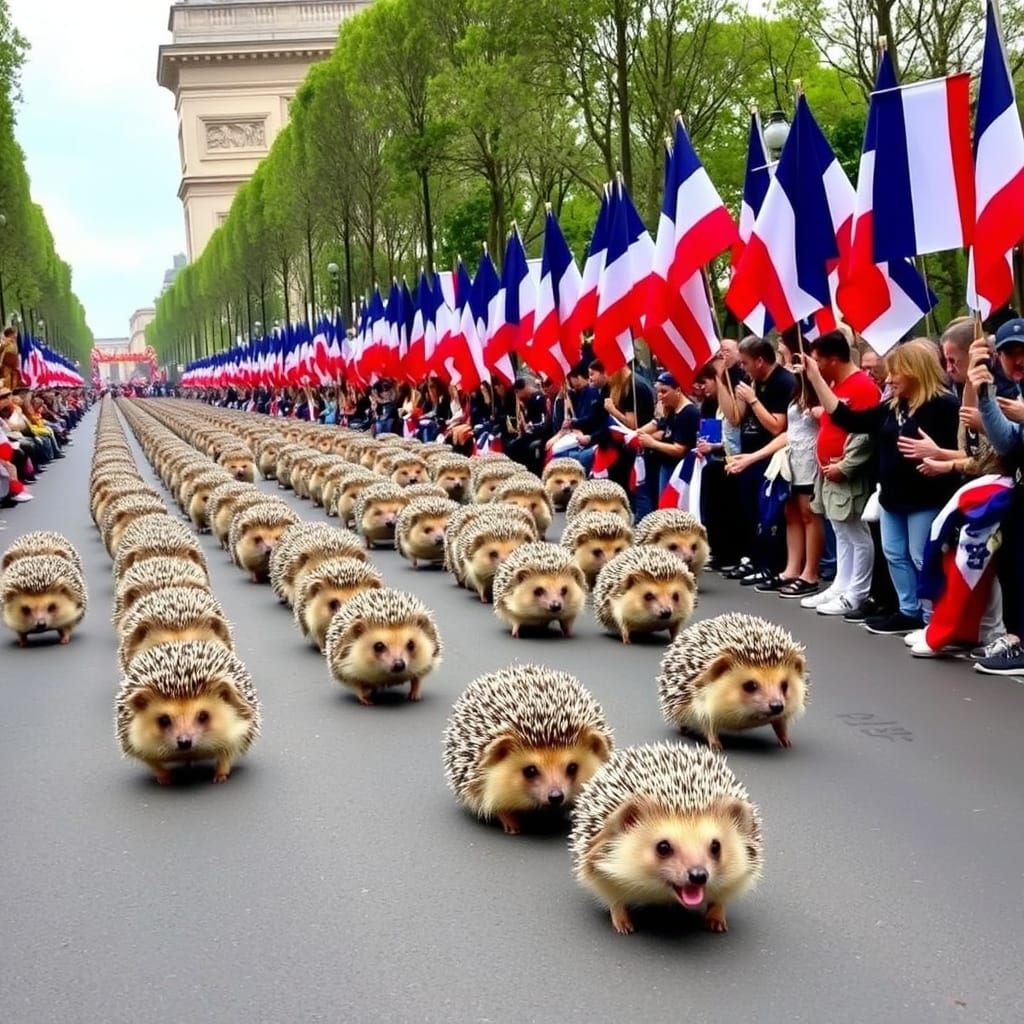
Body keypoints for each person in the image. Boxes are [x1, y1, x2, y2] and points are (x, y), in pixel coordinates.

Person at [800, 338, 960, 635]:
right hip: (892, 497)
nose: (888, 380)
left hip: (926, 497)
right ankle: (908, 611)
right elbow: (848, 419)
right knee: (894, 553)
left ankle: (933, 617)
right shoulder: (892, 406)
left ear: (915, 371)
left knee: (921, 556)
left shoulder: (944, 405)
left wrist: (937, 453)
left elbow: (967, 454)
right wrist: (815, 378)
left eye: (895, 373)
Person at [797, 330, 881, 616]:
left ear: (833, 359)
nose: (815, 365)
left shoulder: (863, 386)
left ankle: (857, 592)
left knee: (856, 532)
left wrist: (846, 466)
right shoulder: (836, 384)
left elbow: (865, 435)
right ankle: (841, 585)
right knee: (841, 531)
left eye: (818, 360)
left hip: (846, 471)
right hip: (828, 470)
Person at [716, 336, 795, 584]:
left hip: (769, 457)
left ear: (760, 361)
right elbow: (735, 417)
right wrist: (720, 379)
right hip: (748, 454)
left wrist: (753, 399)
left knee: (769, 517)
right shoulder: (753, 380)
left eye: (745, 363)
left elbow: (777, 427)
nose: (742, 367)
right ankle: (754, 558)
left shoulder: (783, 381)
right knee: (751, 514)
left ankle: (771, 565)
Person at [636, 371, 700, 506]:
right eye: (658, 392)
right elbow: (659, 427)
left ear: (678, 390)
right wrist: (636, 434)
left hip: (678, 470)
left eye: (664, 392)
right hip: (665, 465)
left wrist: (652, 443)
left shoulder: (688, 413)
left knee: (670, 507)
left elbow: (679, 449)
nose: (660, 396)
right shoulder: (672, 409)